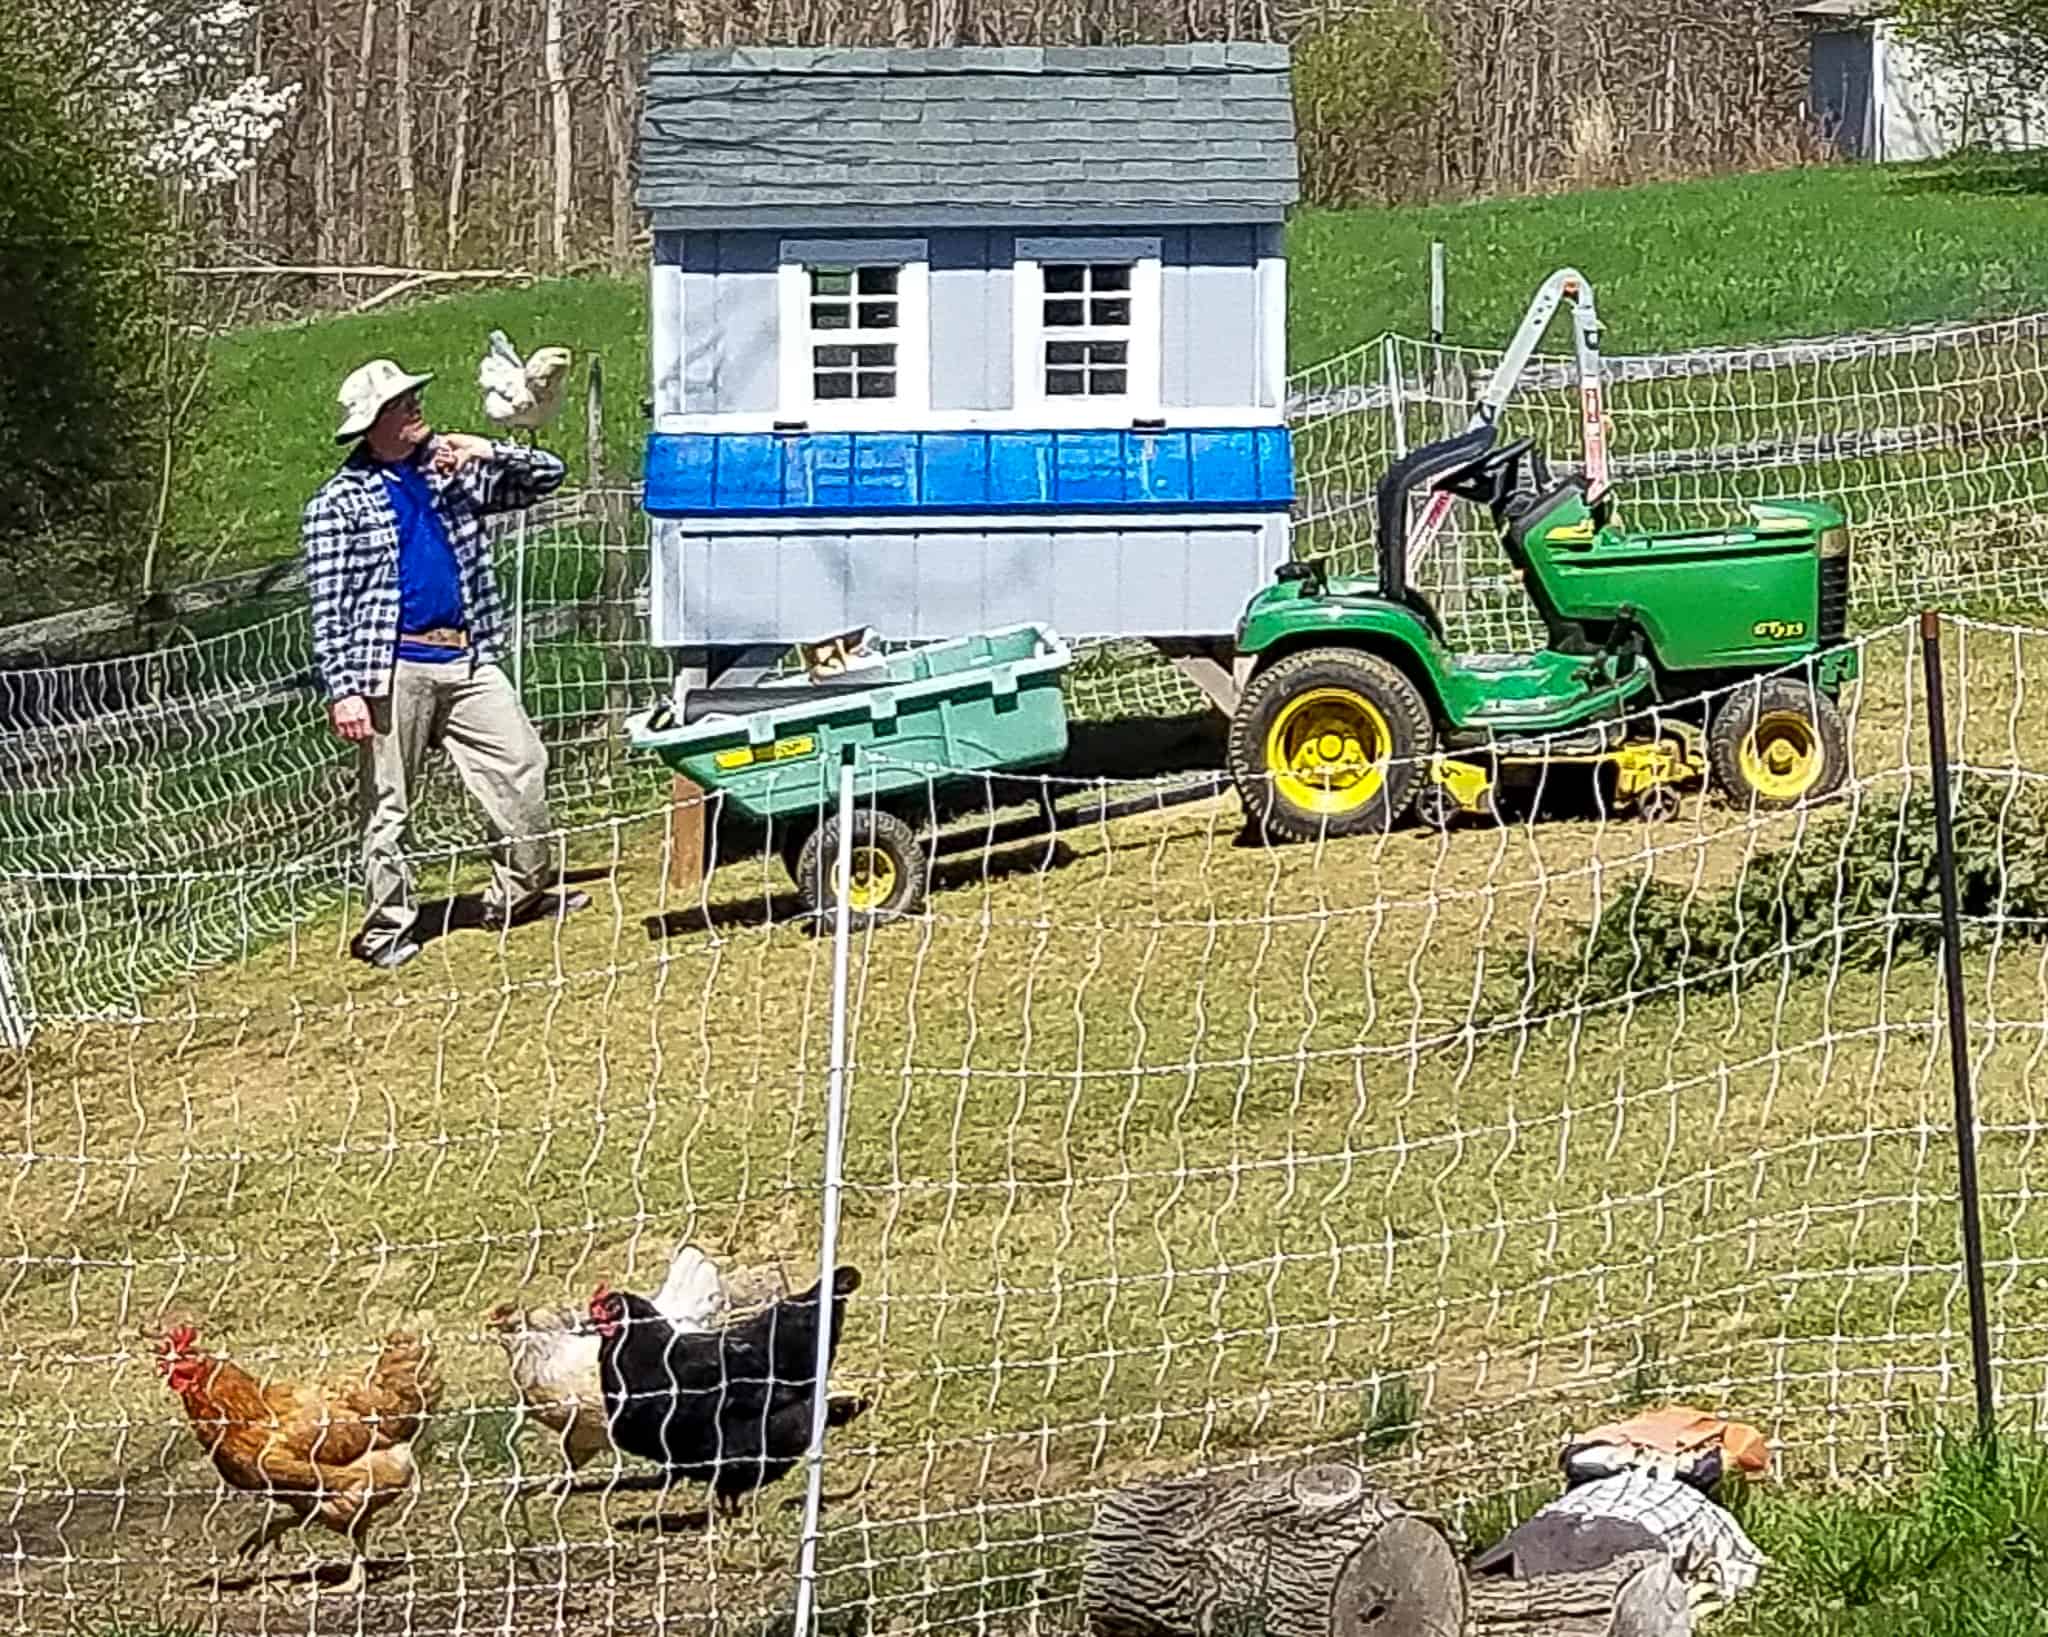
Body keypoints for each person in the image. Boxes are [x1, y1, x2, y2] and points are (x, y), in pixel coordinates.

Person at [303, 357, 589, 971]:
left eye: (413, 400)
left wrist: (485, 449)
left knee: (523, 764)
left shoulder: (447, 476)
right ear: (374, 423)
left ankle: (517, 896)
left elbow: (547, 477)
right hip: (391, 667)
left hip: (468, 654)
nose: (416, 410)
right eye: (403, 405)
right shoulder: (337, 503)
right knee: (389, 803)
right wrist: (343, 690)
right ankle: (387, 927)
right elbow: (329, 609)